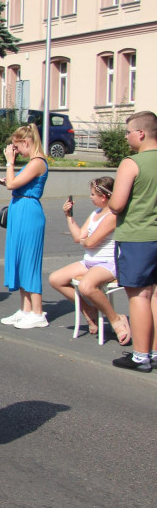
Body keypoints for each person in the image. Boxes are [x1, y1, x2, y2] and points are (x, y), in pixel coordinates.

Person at [48, 176, 129, 343]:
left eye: (93, 194)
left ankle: (116, 319)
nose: (90, 197)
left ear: (104, 197)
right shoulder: (96, 213)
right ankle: (89, 310)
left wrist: (87, 242)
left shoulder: (113, 216)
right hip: (90, 261)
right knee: (55, 279)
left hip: (108, 263)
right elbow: (79, 238)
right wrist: (68, 216)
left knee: (86, 286)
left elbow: (90, 242)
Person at [108, 111, 157, 372]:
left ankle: (141, 356)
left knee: (139, 295)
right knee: (156, 295)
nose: (126, 137)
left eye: (128, 132)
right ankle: (156, 352)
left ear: (141, 133)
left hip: (138, 236)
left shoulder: (131, 162)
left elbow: (116, 204)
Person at [0, 125, 50, 329]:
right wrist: (9, 178)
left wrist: (10, 163)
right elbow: (14, 183)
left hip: (28, 211)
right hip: (20, 207)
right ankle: (25, 309)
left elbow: (12, 184)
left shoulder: (37, 162)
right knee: (19, 258)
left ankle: (38, 312)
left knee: (29, 261)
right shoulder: (32, 163)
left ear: (26, 142)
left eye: (18, 147)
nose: (16, 152)